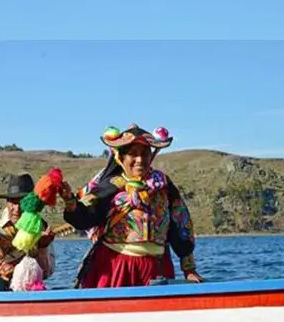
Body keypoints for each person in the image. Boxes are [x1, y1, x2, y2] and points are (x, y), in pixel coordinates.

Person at [60, 123, 204, 288]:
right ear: (120, 158)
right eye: (132, 155)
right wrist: (70, 201)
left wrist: (189, 270)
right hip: (117, 267)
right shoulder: (109, 186)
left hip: (158, 267)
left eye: (144, 154)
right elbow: (85, 216)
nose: (140, 160)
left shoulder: (164, 185)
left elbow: (181, 224)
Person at [0, 173, 57, 291]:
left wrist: (43, 247)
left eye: (22, 202)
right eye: (13, 202)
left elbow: (47, 273)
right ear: (7, 202)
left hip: (30, 291)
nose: (17, 208)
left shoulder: (41, 226)